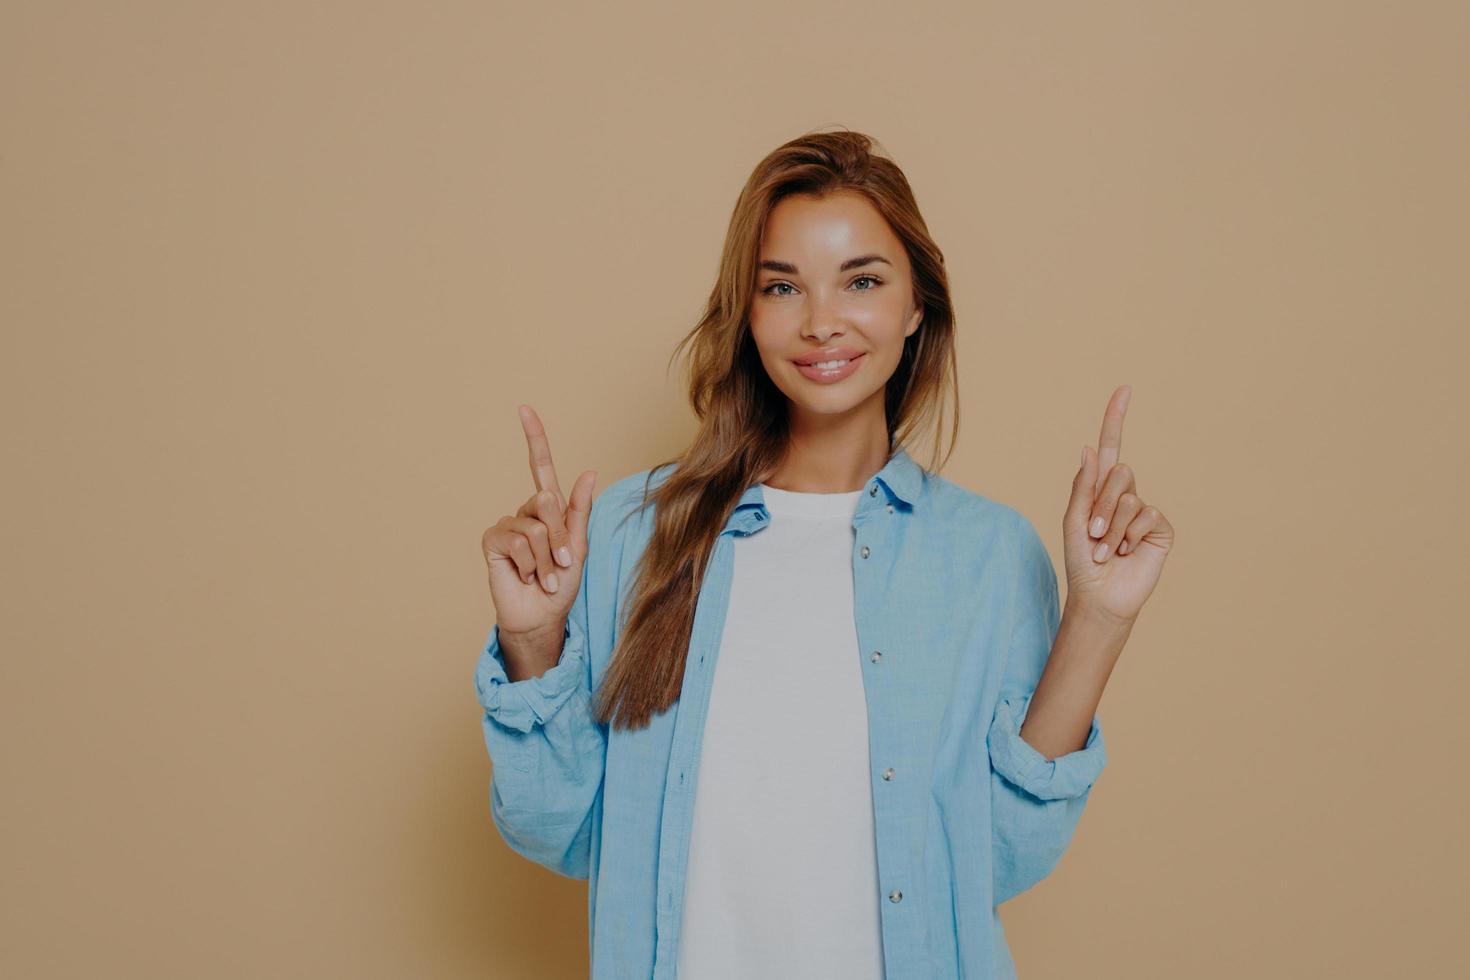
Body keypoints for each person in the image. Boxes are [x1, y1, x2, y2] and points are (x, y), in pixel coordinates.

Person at [474, 129, 1174, 980]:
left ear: (917, 305)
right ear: (749, 310)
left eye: (862, 281)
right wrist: (534, 641)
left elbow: (999, 856)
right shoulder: (631, 534)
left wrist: (1097, 620)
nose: (821, 323)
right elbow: (558, 831)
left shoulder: (988, 555)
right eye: (782, 286)